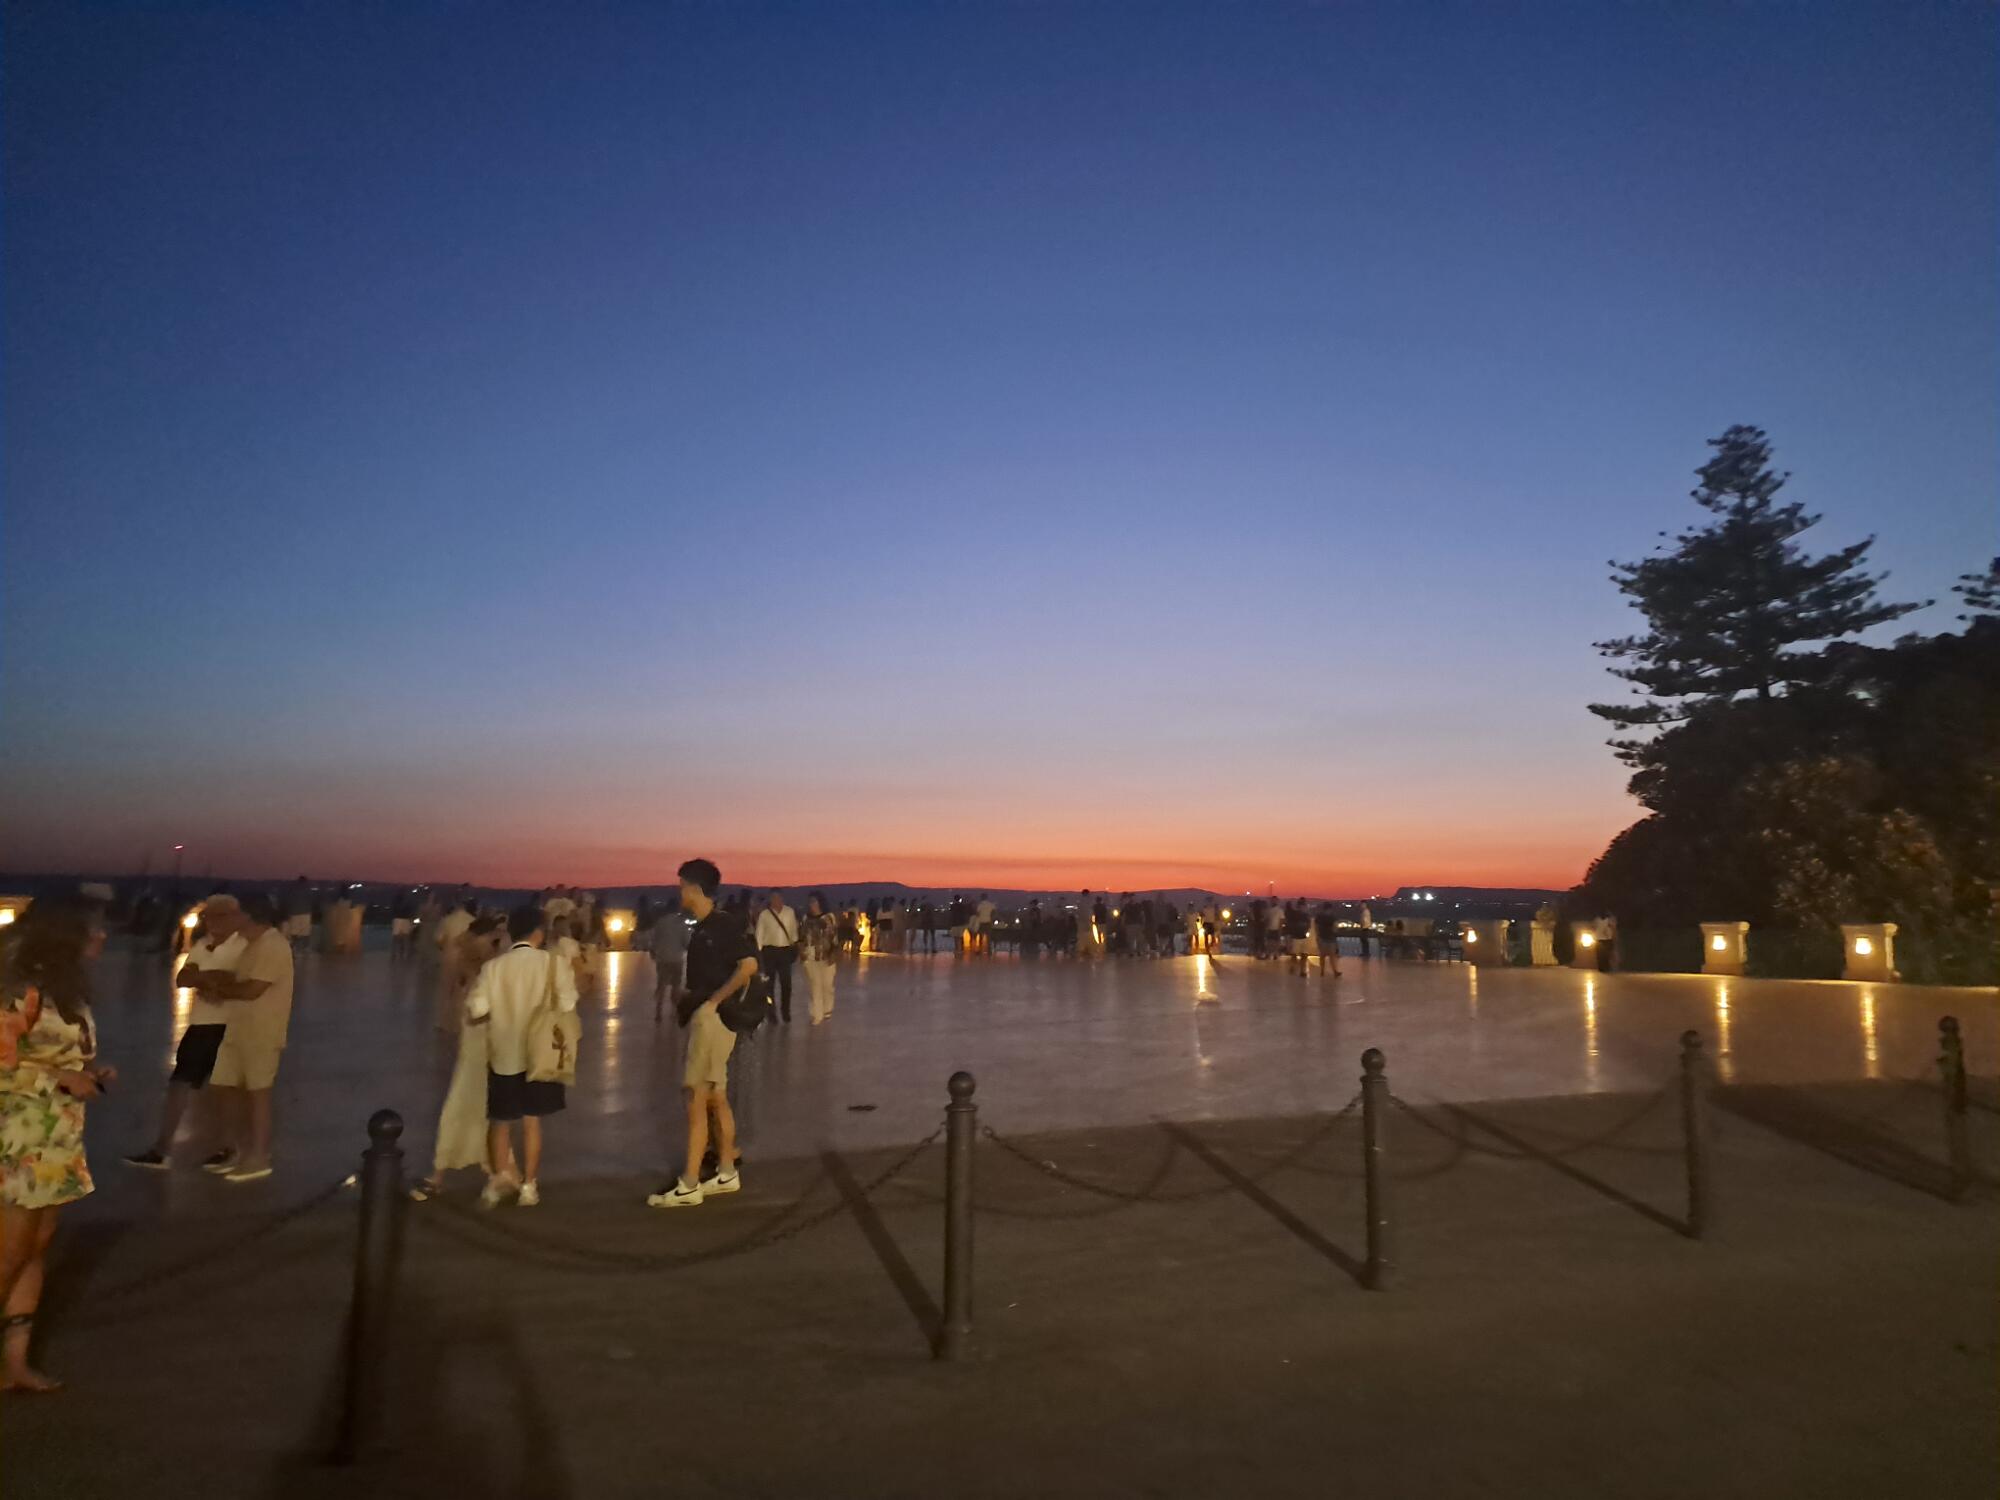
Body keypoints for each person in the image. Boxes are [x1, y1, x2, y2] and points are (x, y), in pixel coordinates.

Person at [0, 897, 113, 1392]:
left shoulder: (66, 993)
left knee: (35, 1249)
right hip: (15, 1135)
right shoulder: (18, 991)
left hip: (58, 1136)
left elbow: (54, 1055)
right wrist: (58, 1078)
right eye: (93, 929)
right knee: (9, 1252)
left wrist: (87, 1073)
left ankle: (15, 1364)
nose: (102, 937)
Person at [650, 858, 756, 1209]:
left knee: (696, 1097)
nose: (679, 892)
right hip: (713, 1018)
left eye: (682, 885)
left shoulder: (720, 925)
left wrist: (712, 1002)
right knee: (716, 1096)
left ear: (694, 889)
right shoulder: (706, 927)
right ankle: (726, 1172)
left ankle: (689, 1183)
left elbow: (748, 966)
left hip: (713, 1022)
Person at [464, 905, 578, 1209]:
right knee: (531, 1122)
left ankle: (499, 1179)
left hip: (504, 1054)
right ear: (539, 933)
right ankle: (529, 1186)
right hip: (541, 1055)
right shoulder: (553, 964)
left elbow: (476, 1009)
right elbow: (568, 1004)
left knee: (500, 1122)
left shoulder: (494, 967)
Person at [124, 895, 245, 1170]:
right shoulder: (203, 945)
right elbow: (183, 978)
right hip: (201, 1024)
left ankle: (227, 1147)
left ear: (235, 917)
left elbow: (236, 980)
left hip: (228, 1025)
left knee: (222, 1088)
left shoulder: (243, 947)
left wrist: (207, 979)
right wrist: (211, 980)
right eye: (209, 917)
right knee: (180, 1083)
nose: (213, 922)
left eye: (220, 916)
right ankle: (162, 1149)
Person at [199, 893, 295, 1182]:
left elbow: (253, 989)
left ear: (247, 916)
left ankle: (258, 1156)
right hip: (234, 1028)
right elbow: (237, 979)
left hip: (261, 1032)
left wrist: (219, 991)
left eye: (230, 914)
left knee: (257, 1093)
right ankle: (232, 1149)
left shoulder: (273, 945)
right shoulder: (247, 944)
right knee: (223, 1087)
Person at [754, 891, 799, 1025]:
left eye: (778, 897)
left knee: (786, 984)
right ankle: (771, 1013)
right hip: (769, 951)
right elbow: (759, 934)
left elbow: (793, 931)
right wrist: (759, 953)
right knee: (769, 985)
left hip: (784, 950)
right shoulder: (764, 914)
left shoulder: (789, 912)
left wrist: (794, 945)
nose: (776, 900)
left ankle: (785, 1011)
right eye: (773, 898)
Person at [799, 892, 839, 1025]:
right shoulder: (805, 918)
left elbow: (834, 936)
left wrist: (833, 953)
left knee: (827, 985)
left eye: (814, 901)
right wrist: (802, 952)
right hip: (810, 956)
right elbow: (801, 936)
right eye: (810, 902)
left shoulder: (829, 917)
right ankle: (816, 1014)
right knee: (814, 985)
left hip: (826, 956)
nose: (812, 905)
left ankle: (827, 1008)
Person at [650, 904, 691, 1024]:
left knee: (661, 985)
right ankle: (675, 1012)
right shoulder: (681, 923)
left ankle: (658, 1012)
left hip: (662, 958)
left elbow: (654, 939)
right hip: (677, 959)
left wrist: (653, 952)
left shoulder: (660, 922)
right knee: (676, 986)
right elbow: (686, 942)